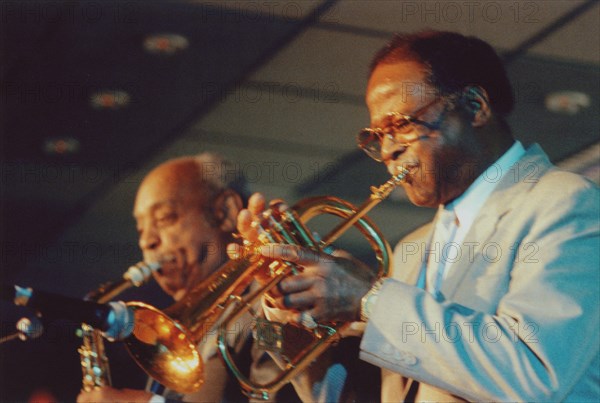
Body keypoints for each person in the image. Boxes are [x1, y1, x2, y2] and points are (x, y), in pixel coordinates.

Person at [232, 31, 600, 401]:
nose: (389, 149)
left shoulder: (566, 202)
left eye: (401, 124)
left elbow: (534, 373)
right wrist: (288, 301)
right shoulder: (413, 247)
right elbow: (343, 396)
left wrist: (372, 299)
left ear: (475, 106)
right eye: (378, 135)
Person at [78, 153, 296, 402]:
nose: (146, 241)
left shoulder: (273, 306)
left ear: (224, 211)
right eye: (140, 230)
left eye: (164, 218)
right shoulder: (167, 335)